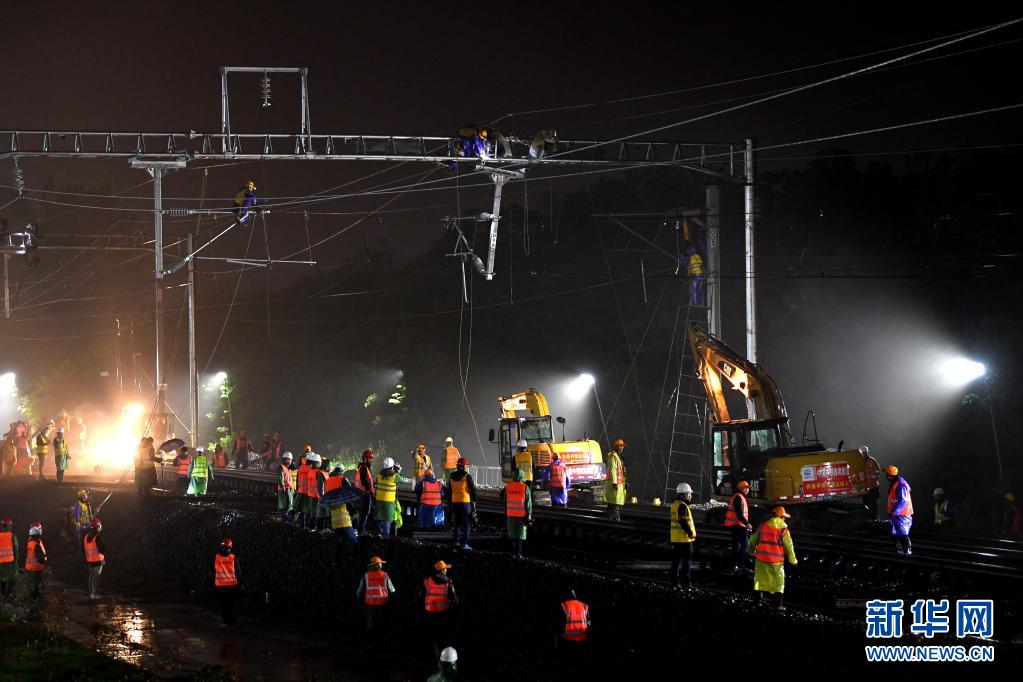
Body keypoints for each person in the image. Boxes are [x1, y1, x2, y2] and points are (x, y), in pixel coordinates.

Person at [749, 506, 798, 607]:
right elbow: (789, 546)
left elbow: (753, 540)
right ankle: (777, 603)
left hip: (761, 559)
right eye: (784, 517)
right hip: (777, 561)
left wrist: (751, 551)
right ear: (781, 517)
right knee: (779, 582)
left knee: (760, 579)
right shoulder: (783, 529)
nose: (784, 518)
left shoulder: (763, 525)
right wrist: (793, 560)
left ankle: (757, 601)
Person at [422, 560, 458, 659]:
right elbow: (454, 599)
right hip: (442, 613)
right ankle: (442, 656)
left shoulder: (427, 581)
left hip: (429, 612)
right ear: (441, 570)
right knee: (442, 635)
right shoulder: (448, 582)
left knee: (431, 635)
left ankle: (432, 655)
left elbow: (421, 595)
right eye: (445, 568)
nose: (446, 570)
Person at [356, 556, 395, 636]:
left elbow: (359, 590)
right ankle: (380, 638)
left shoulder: (366, 575)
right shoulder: (385, 575)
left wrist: (358, 597)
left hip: (370, 603)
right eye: (380, 563)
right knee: (381, 622)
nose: (381, 565)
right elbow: (392, 590)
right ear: (378, 565)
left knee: (370, 623)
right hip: (382, 603)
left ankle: (370, 640)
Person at [326, 466, 358, 561]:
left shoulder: (328, 480)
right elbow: (349, 495)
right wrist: (354, 510)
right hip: (343, 520)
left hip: (334, 519)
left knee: (337, 540)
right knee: (353, 539)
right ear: (341, 471)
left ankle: (334, 561)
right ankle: (348, 558)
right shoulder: (342, 481)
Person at [446, 458, 477, 550]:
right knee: (467, 524)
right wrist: (474, 502)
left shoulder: (451, 476)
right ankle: (465, 543)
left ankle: (456, 542)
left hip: (455, 502)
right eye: (466, 465)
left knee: (457, 524)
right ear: (463, 466)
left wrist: (449, 503)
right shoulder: (467, 476)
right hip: (465, 503)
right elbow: (473, 490)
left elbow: (449, 491)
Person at [670, 482, 697, 588]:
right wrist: (690, 533)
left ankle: (674, 582)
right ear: (682, 494)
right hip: (684, 539)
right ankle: (686, 582)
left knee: (676, 561)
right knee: (687, 562)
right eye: (688, 493)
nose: (690, 495)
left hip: (676, 538)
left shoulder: (675, 504)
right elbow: (682, 521)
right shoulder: (682, 506)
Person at [724, 480, 753, 571]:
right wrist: (747, 523)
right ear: (743, 489)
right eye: (747, 488)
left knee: (738, 545)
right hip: (738, 526)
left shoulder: (738, 497)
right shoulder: (739, 498)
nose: (748, 490)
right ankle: (740, 565)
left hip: (736, 525)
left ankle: (735, 565)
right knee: (743, 546)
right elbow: (739, 514)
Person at [502, 468, 532, 558]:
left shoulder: (508, 486)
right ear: (522, 476)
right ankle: (518, 554)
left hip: (510, 514)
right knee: (520, 535)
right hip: (521, 515)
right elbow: (528, 502)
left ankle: (513, 553)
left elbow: (504, 499)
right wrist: (529, 514)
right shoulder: (524, 487)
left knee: (512, 534)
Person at [374, 458, 407, 537]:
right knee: (387, 519)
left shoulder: (379, 474)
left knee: (379, 518)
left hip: (379, 500)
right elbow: (402, 481)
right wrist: (398, 471)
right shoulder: (394, 475)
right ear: (392, 466)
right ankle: (385, 538)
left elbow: (377, 482)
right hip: (388, 502)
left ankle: (378, 538)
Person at [885, 465, 914, 554]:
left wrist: (894, 512)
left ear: (890, 475)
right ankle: (900, 552)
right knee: (896, 534)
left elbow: (903, 501)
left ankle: (907, 552)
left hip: (901, 515)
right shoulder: (896, 483)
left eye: (887, 475)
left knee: (902, 534)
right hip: (897, 515)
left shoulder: (900, 485)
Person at [557, 588, 590, 660]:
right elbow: (589, 623)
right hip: (582, 640)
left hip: (567, 640)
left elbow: (560, 624)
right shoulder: (585, 606)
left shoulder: (564, 605)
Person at [214, 538, 239, 624]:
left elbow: (211, 569)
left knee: (223, 603)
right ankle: (230, 618)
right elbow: (238, 571)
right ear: (230, 547)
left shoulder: (216, 557)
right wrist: (241, 582)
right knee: (231, 603)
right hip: (231, 585)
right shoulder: (233, 557)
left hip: (220, 585)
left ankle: (224, 619)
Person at [603, 438, 627, 521]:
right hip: (614, 485)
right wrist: (614, 483)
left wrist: (625, 482)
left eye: (622, 446)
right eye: (620, 446)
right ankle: (615, 520)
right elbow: (613, 469)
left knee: (614, 504)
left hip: (619, 485)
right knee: (615, 504)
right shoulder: (613, 457)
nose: (622, 448)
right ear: (616, 447)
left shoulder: (619, 457)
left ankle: (609, 519)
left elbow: (622, 471)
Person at [83, 517, 106, 599]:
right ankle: (94, 595)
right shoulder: (98, 537)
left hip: (90, 560)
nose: (101, 527)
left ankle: (90, 593)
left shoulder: (86, 537)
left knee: (91, 577)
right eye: (99, 525)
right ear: (97, 527)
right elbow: (102, 549)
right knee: (96, 578)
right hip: (98, 560)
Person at [355, 449, 376, 534]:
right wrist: (370, 489)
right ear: (365, 459)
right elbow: (364, 481)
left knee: (363, 512)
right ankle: (361, 529)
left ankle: (360, 529)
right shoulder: (364, 468)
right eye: (370, 459)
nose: (371, 461)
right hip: (364, 493)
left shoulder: (363, 467)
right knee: (365, 512)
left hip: (361, 493)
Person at [25, 521, 47, 599]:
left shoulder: (31, 540)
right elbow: (40, 557)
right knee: (35, 582)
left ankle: (35, 594)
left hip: (32, 566)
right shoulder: (35, 543)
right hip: (35, 567)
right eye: (40, 528)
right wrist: (44, 561)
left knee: (34, 583)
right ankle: (34, 597)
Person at [72, 489, 94, 557]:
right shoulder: (78, 504)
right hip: (81, 526)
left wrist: (95, 512)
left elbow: (89, 515)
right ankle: (80, 554)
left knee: (87, 540)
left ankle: (86, 553)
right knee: (80, 541)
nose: (86, 496)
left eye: (86, 495)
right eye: (85, 495)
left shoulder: (87, 504)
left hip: (87, 525)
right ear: (81, 496)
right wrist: (78, 523)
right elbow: (77, 514)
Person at [0, 517, 18, 598]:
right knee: (13, 576)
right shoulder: (12, 536)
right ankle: (10, 593)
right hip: (10, 561)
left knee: (3, 577)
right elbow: (16, 549)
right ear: (9, 526)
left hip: (1, 561)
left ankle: (3, 593)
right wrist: (16, 560)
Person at [277, 452, 294, 521]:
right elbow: (280, 477)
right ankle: (284, 517)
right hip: (284, 488)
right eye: (289, 460)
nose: (290, 461)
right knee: (284, 504)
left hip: (288, 488)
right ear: (285, 459)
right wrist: (283, 486)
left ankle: (285, 516)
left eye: (290, 460)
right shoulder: (281, 467)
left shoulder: (287, 468)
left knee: (288, 504)